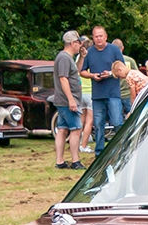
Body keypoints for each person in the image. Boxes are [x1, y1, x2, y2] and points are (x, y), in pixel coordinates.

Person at [82, 26, 125, 151]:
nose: (99, 38)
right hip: (97, 95)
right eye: (96, 36)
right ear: (93, 38)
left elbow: (122, 70)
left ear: (106, 37)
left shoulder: (114, 50)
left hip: (113, 93)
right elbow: (82, 71)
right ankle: (99, 152)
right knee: (98, 125)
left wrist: (111, 74)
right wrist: (92, 75)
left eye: (101, 36)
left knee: (117, 122)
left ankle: (120, 150)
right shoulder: (89, 52)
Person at [49, 30, 84, 170]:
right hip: (67, 101)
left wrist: (81, 57)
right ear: (72, 43)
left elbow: (76, 72)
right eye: (78, 42)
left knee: (62, 130)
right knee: (76, 129)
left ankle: (60, 161)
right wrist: (71, 100)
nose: (80, 45)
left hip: (64, 101)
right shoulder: (63, 58)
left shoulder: (68, 58)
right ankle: (75, 161)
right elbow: (63, 79)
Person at [113, 38, 134, 118]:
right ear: (122, 48)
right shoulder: (130, 60)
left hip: (116, 94)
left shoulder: (112, 62)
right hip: (129, 93)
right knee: (132, 116)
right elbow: (135, 73)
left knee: (118, 118)